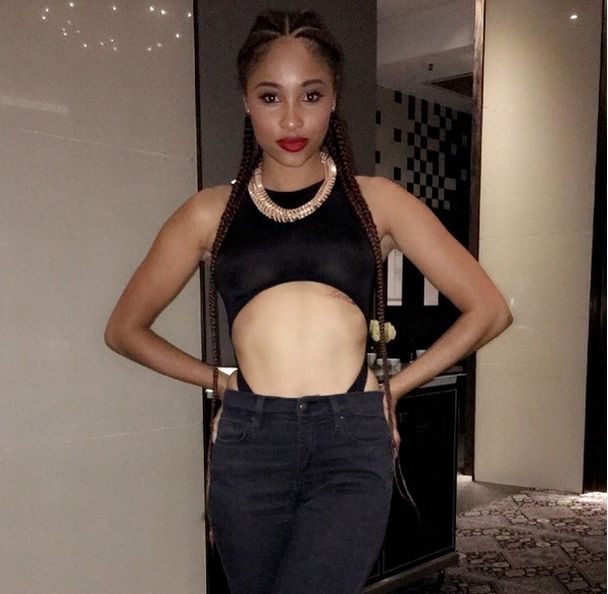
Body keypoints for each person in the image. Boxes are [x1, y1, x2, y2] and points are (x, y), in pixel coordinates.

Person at [104, 9, 512, 594]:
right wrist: (219, 382)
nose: (292, 118)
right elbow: (125, 329)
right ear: (247, 102)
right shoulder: (208, 213)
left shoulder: (377, 201)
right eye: (271, 96)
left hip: (350, 440)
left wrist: (394, 389)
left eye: (311, 95)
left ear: (334, 99)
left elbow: (488, 309)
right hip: (251, 442)